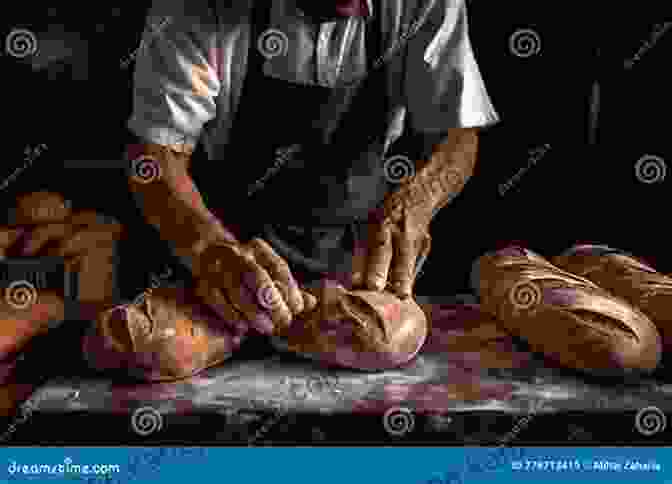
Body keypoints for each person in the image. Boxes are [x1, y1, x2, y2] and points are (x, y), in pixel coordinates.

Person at [1, 0, 499, 386]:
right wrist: (208, 249)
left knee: (381, 337)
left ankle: (293, 326)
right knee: (149, 346)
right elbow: (154, 158)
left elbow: (459, 134)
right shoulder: (202, 5)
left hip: (356, 268)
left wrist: (413, 206)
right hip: (220, 261)